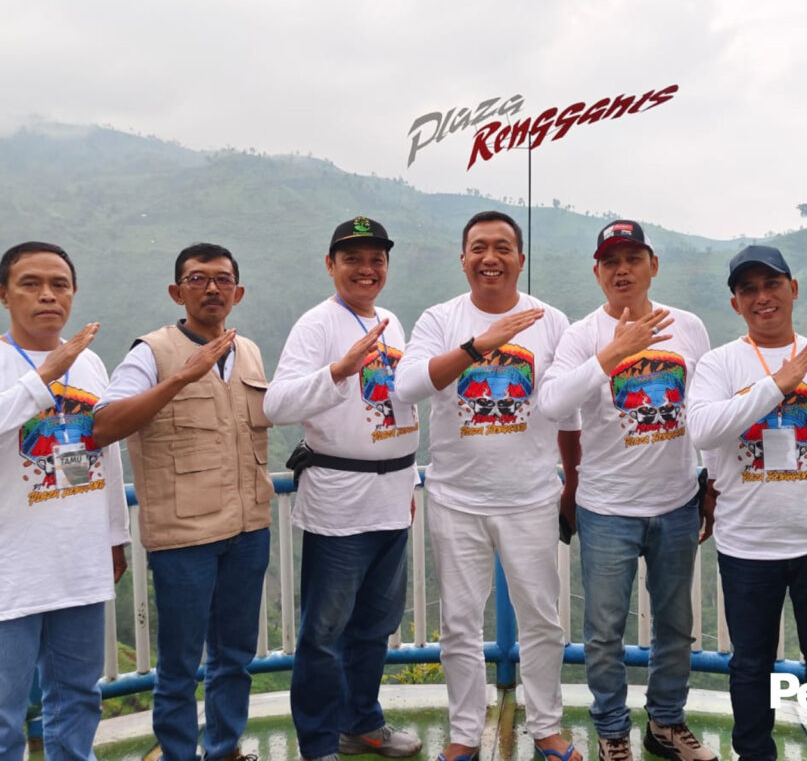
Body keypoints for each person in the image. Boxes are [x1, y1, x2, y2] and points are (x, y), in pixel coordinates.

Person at [393, 211, 581, 761]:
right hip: (456, 498)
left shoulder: (551, 321)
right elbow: (407, 386)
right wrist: (479, 346)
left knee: (542, 619)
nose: (490, 257)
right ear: (463, 259)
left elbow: (568, 411)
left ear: (520, 258)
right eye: (478, 247)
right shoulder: (440, 318)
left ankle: (546, 726)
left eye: (502, 247)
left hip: (531, 497)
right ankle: (465, 733)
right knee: (459, 624)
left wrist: (572, 483)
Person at [687, 245, 807, 761]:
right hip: (747, 546)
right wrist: (776, 385)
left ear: (793, 289)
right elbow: (703, 429)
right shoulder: (719, 363)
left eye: (772, 284)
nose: (762, 297)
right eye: (748, 289)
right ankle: (754, 753)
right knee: (750, 665)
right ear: (735, 304)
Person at [538, 220, 716, 761]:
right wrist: (612, 354)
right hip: (606, 508)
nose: (622, 270)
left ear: (653, 265)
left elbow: (704, 411)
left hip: (677, 502)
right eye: (611, 261)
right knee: (604, 630)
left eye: (633, 259)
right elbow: (553, 403)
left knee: (676, 625)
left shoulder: (688, 327)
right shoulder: (583, 335)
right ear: (596, 272)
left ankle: (666, 723)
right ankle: (612, 731)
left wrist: (710, 480)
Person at [93, 243, 272, 761]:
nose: (212, 288)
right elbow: (104, 424)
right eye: (198, 279)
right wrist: (181, 378)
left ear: (238, 292)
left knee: (235, 656)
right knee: (179, 662)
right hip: (183, 537)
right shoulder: (150, 353)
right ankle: (177, 753)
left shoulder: (249, 350)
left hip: (249, 529)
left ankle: (224, 748)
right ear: (177, 292)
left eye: (222, 279)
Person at [264, 217, 422, 761]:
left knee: (376, 626)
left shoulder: (392, 323)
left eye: (376, 259)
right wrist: (338, 370)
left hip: (392, 498)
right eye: (353, 258)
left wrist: (407, 484)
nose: (366, 269)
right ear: (330, 265)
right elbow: (276, 405)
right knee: (325, 632)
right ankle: (318, 742)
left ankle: (361, 723)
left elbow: (396, 408)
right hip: (339, 504)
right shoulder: (317, 325)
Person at [0, 242, 129, 761]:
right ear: (4, 294)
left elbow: (107, 451)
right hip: (11, 570)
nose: (48, 295)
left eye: (60, 284)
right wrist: (44, 375)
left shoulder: (90, 362)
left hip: (79, 560)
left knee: (77, 697)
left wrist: (115, 536)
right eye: (31, 284)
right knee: (4, 713)